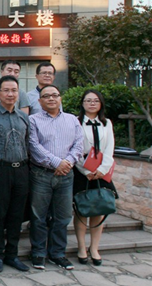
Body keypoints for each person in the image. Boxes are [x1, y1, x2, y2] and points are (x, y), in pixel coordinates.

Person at [28, 85, 84, 271]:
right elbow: (33, 145)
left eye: (55, 95)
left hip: (66, 175)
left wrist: (67, 162)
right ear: (40, 101)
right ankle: (38, 252)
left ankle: (58, 253)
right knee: (38, 216)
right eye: (46, 96)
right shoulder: (33, 120)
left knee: (63, 216)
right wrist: (56, 162)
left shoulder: (72, 120)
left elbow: (79, 144)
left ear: (60, 98)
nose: (51, 98)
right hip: (41, 174)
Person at [0, 75, 30, 273]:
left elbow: (28, 145)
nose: (10, 94)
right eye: (6, 90)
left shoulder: (23, 117)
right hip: (0, 170)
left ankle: (12, 254)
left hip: (22, 170)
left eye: (14, 90)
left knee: (16, 215)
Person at [73, 89, 115, 266]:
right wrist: (86, 171)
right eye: (88, 100)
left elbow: (109, 148)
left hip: (101, 171)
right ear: (83, 103)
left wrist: (102, 169)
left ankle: (95, 248)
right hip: (82, 171)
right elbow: (74, 148)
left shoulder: (107, 123)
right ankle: (81, 247)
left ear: (101, 104)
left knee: (99, 208)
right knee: (82, 209)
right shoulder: (75, 122)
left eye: (96, 100)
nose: (92, 103)